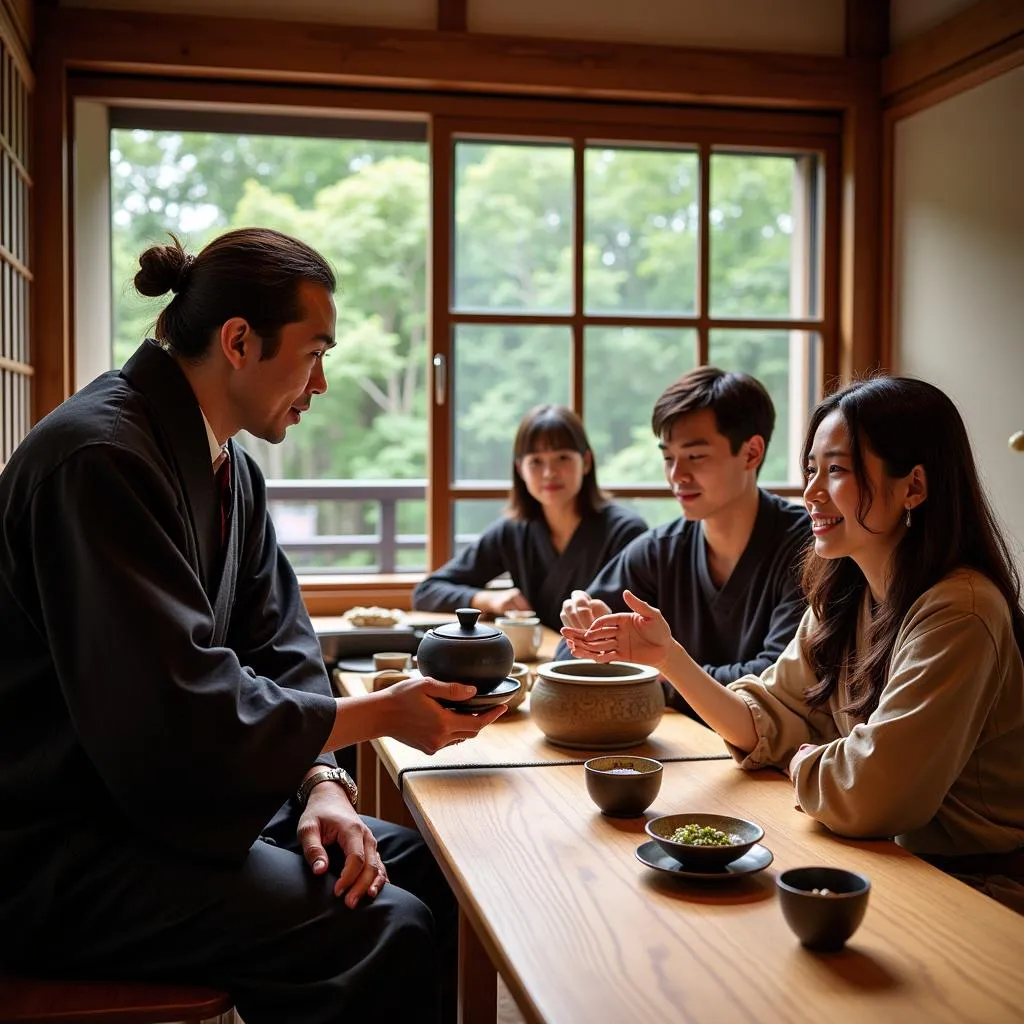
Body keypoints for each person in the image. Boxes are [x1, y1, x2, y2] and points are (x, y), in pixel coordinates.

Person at [0, 228, 508, 1022]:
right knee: (385, 925)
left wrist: (320, 783)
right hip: (63, 841)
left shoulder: (227, 467)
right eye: (314, 353)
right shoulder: (97, 459)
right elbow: (170, 710)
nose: (322, 383)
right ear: (239, 341)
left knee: (425, 864)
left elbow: (280, 643)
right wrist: (377, 714)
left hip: (160, 807)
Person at [564, 377, 1024, 913]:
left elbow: (876, 795)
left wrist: (805, 761)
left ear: (914, 487)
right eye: (811, 470)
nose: (811, 493)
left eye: (837, 470)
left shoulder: (960, 610)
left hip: (974, 891)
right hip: (882, 861)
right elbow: (764, 717)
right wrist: (668, 657)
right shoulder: (847, 589)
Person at [558, 367, 810, 711]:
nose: (677, 476)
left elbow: (776, 681)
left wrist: (662, 670)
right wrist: (593, 638)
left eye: (696, 456)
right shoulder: (661, 548)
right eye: (668, 458)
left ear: (752, 453)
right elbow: (567, 656)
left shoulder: (806, 548)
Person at [412, 404, 647, 632]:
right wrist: (487, 599)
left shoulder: (625, 532)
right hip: (536, 659)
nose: (549, 473)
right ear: (519, 469)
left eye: (563, 458)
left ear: (585, 462)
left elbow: (636, 621)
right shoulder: (513, 531)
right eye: (536, 461)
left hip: (603, 665)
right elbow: (427, 592)